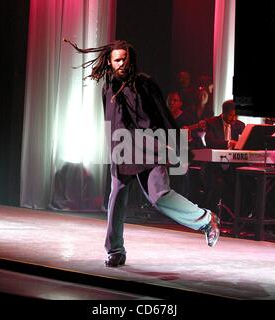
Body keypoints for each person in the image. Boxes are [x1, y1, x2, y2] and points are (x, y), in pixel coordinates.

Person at [68, 39, 220, 267]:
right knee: (117, 197)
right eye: (117, 60)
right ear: (109, 62)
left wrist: (176, 147)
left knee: (159, 195)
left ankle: (206, 220)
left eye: (125, 60)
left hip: (149, 148)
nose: (122, 64)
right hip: (122, 149)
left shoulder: (144, 84)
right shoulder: (108, 88)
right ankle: (115, 250)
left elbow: (163, 116)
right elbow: (110, 121)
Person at [204, 100, 245, 213]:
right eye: (231, 115)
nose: (234, 118)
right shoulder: (211, 123)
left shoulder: (240, 125)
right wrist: (228, 143)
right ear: (224, 113)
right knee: (218, 184)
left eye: (236, 115)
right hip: (214, 166)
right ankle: (209, 214)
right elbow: (210, 141)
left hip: (232, 165)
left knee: (243, 183)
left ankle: (236, 216)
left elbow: (245, 141)